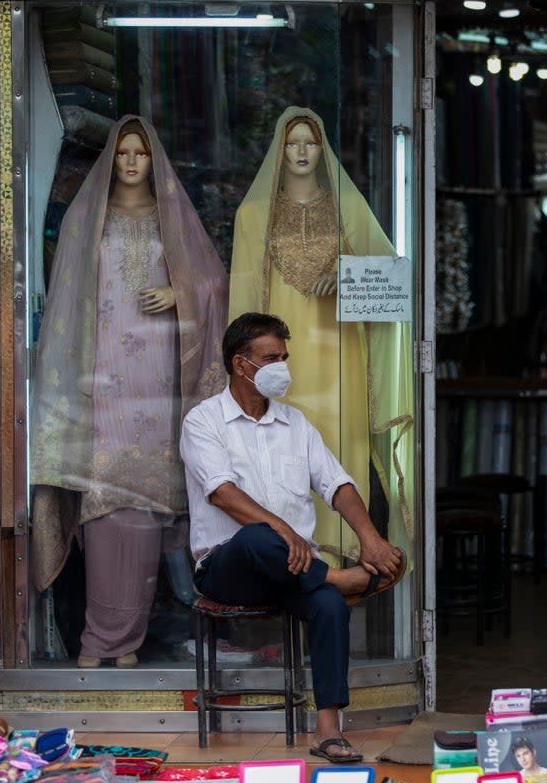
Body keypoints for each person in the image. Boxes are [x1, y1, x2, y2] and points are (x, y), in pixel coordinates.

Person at [30, 116, 227, 668]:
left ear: (154, 160)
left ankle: (128, 642)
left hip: (159, 380)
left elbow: (214, 280)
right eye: (124, 154)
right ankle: (100, 638)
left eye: (141, 153)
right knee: (103, 507)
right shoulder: (85, 220)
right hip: (103, 377)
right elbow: (67, 298)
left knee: (146, 513)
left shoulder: (173, 220)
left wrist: (178, 288)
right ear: (112, 160)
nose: (133, 162)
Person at [180, 312, 406, 764]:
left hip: (295, 570)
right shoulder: (203, 421)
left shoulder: (295, 424)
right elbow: (223, 494)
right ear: (240, 364)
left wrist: (372, 539)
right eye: (271, 358)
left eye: (284, 357)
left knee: (325, 605)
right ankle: (340, 579)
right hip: (229, 568)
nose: (282, 366)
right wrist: (282, 529)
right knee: (256, 538)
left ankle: (326, 730)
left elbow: (337, 484)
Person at [230, 107, 413, 565]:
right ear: (278, 149)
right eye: (292, 143)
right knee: (279, 453)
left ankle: (343, 561)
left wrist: (346, 273)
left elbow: (392, 281)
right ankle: (291, 558)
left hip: (339, 355)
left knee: (334, 449)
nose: (301, 152)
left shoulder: (347, 210)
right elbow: (243, 295)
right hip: (280, 362)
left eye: (310, 142)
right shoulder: (253, 214)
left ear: (323, 148)